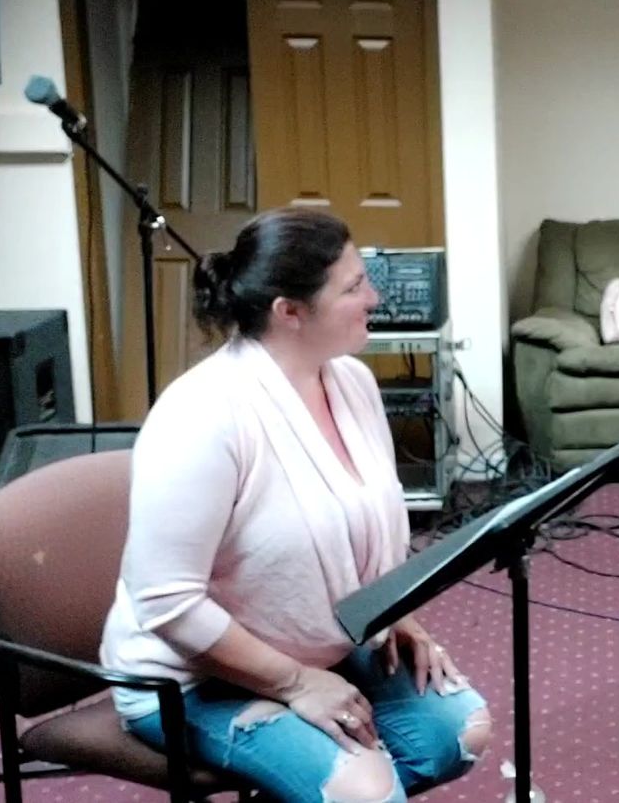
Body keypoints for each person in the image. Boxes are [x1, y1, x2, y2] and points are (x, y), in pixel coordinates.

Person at [100, 209, 490, 802]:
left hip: (321, 644)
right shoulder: (202, 416)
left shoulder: (352, 382)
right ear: (290, 312)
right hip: (190, 676)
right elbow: (167, 602)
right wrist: (295, 683)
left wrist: (396, 616)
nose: (374, 298)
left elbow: (364, 526)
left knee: (457, 735)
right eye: (354, 287)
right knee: (363, 791)